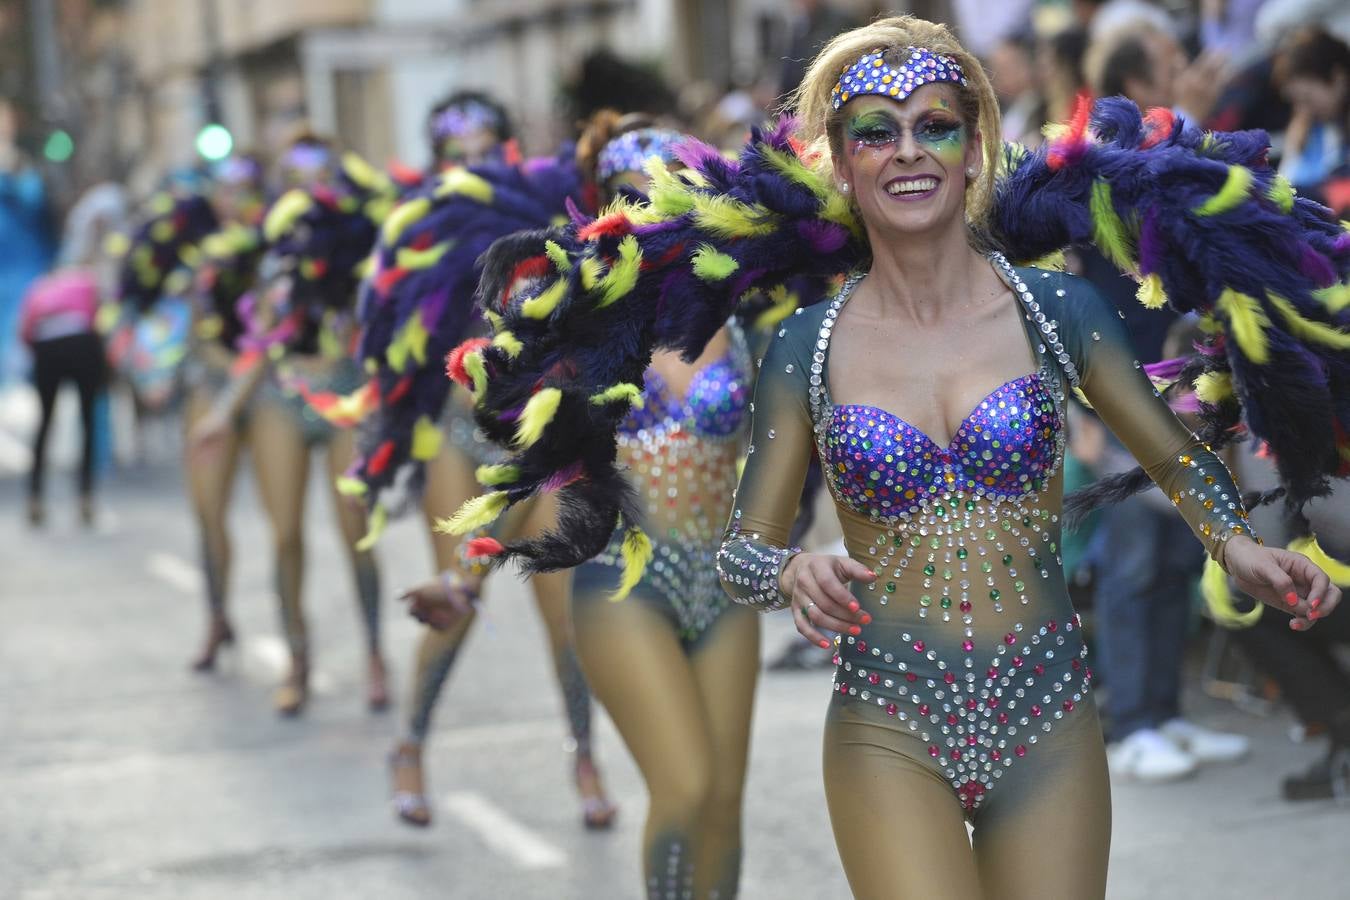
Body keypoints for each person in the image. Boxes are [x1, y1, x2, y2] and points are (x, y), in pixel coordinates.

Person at [442, 14, 1347, 896]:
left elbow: (1176, 458)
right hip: (889, 726)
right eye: (876, 131)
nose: (908, 149)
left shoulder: (1056, 313)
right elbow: (745, 554)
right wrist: (792, 569)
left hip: (1049, 719)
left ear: (974, 147)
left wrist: (1236, 545)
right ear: (841, 162)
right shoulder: (807, 346)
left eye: (935, 127)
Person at [442, 112, 761, 898]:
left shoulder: (737, 309)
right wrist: (465, 579)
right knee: (684, 789)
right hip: (626, 584)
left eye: (671, 194)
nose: (651, 213)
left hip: (723, 587)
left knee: (723, 804)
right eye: (631, 196)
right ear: (601, 213)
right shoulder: (579, 331)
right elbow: (524, 467)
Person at [332, 95, 615, 829]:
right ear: (437, 162)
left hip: (547, 448)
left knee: (566, 620)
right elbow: (395, 344)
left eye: (487, 145)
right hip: (465, 445)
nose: (473, 161)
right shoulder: (422, 234)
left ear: (512, 153)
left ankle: (584, 755)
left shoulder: (556, 226)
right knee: (457, 607)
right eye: (456, 152)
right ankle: (410, 746)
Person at [191, 149, 393, 716]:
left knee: (356, 529)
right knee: (284, 536)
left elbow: (386, 330)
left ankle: (375, 651)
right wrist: (224, 412)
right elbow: (262, 342)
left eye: (319, 183)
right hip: (283, 397)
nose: (308, 194)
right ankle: (298, 659)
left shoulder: (364, 252)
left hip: (344, 393)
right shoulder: (269, 258)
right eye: (295, 184)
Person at [20, 266, 105, 526]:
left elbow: (26, 331)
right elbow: (99, 320)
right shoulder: (88, 281)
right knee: (88, 422)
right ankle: (86, 498)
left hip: (47, 346)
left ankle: (35, 498)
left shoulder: (40, 286)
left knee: (45, 422)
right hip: (82, 344)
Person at [1273, 28, 1350, 214]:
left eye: (1307, 98)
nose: (1303, 110)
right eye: (1296, 102)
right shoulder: (1313, 124)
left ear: (1338, 78)